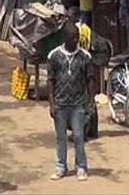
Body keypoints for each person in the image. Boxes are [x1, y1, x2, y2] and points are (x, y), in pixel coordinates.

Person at [47, 21, 94, 182]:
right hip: (60, 104)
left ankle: (81, 167)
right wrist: (52, 104)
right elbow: (50, 81)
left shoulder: (84, 57)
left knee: (79, 136)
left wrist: (91, 102)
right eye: (73, 38)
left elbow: (90, 80)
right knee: (61, 137)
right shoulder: (54, 56)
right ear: (65, 37)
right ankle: (61, 167)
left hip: (78, 104)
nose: (76, 41)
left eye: (77, 38)